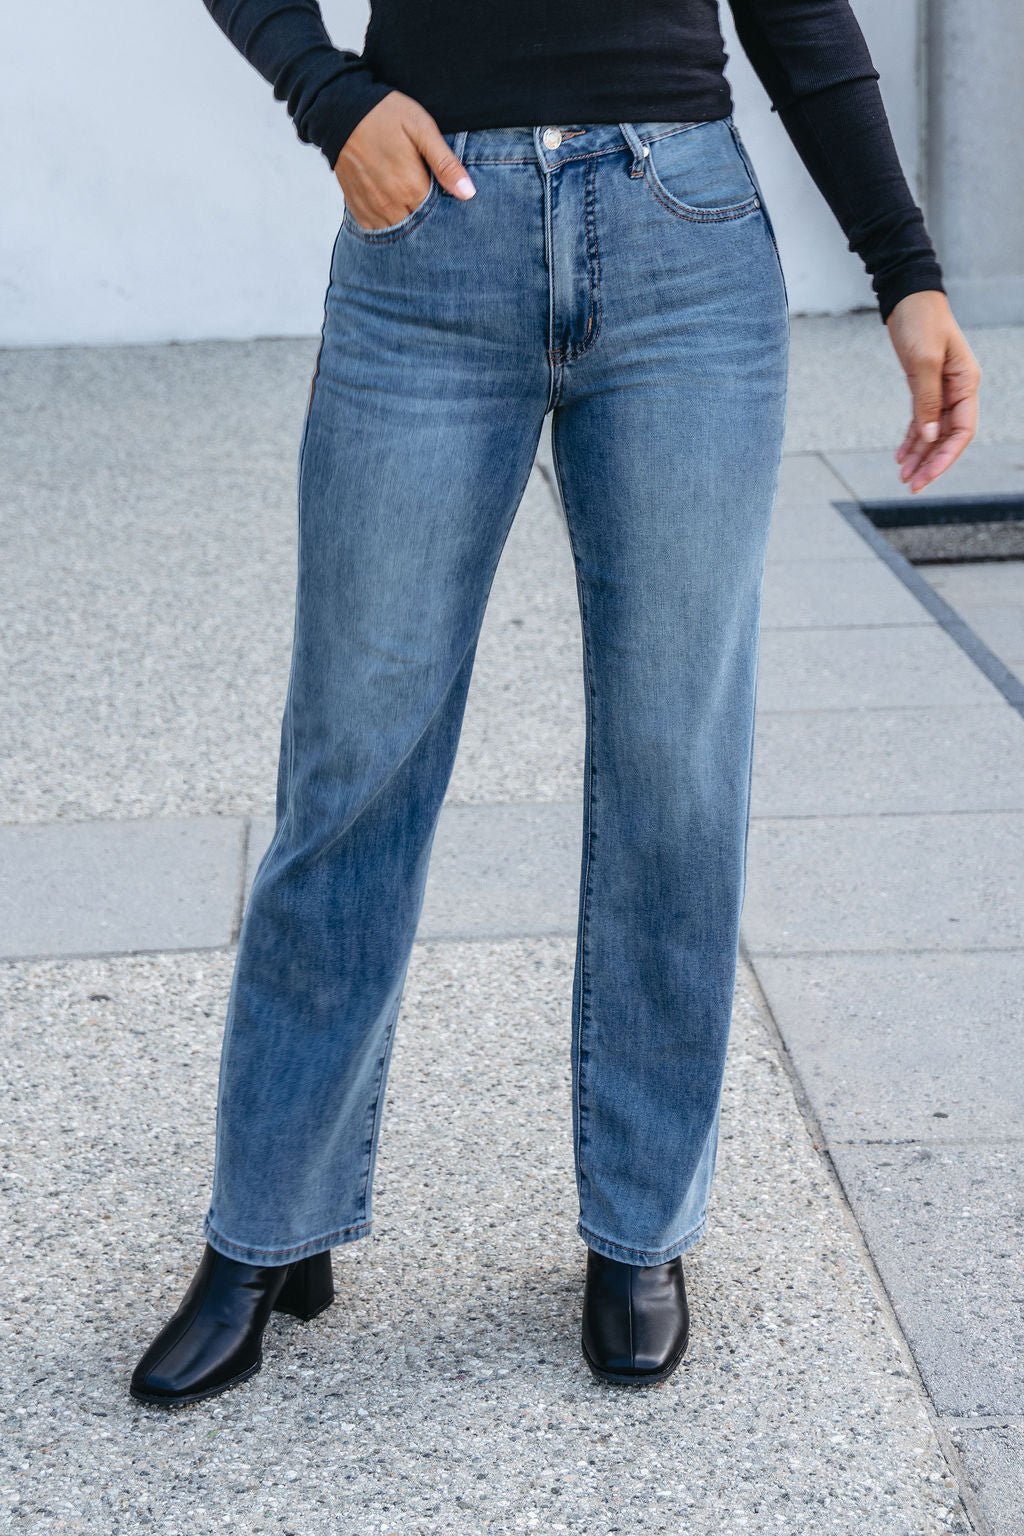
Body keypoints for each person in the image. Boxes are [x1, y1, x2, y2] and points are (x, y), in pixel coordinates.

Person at [130, 0, 981, 1406]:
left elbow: (796, 12)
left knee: (674, 763)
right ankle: (269, 1225)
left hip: (682, 241)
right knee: (355, 752)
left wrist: (908, 271)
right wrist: (325, 95)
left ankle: (640, 1225)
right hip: (430, 243)